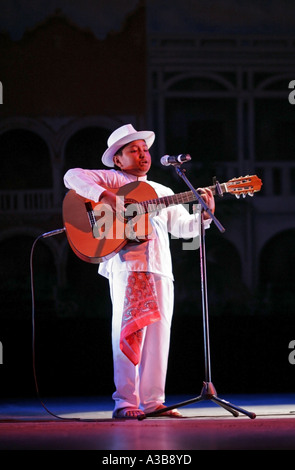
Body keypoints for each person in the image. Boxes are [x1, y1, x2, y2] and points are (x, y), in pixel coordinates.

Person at [63, 124, 215, 419]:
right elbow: (72, 177)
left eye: (145, 150)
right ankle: (125, 402)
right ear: (118, 159)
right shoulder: (111, 179)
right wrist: (106, 196)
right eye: (134, 150)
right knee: (126, 331)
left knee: (160, 336)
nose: (143, 154)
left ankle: (154, 401)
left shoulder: (162, 191)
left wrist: (204, 213)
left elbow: (184, 230)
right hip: (127, 266)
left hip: (160, 269)